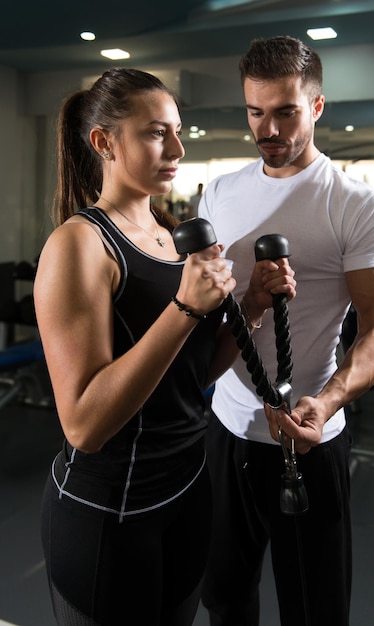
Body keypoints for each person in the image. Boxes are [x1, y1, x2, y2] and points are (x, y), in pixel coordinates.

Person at [33, 67, 296, 626]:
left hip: (186, 493)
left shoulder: (172, 232)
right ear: (105, 142)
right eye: (157, 133)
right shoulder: (80, 244)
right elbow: (83, 424)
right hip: (110, 511)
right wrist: (185, 309)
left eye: (178, 130)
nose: (177, 146)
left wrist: (249, 306)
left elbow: (191, 374)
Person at [198, 35, 374, 626]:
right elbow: (211, 305)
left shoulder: (356, 205)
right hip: (229, 429)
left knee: (314, 608)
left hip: (311, 436)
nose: (269, 129)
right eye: (255, 112)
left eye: (285, 111)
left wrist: (330, 400)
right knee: (224, 598)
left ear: (315, 106)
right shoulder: (221, 191)